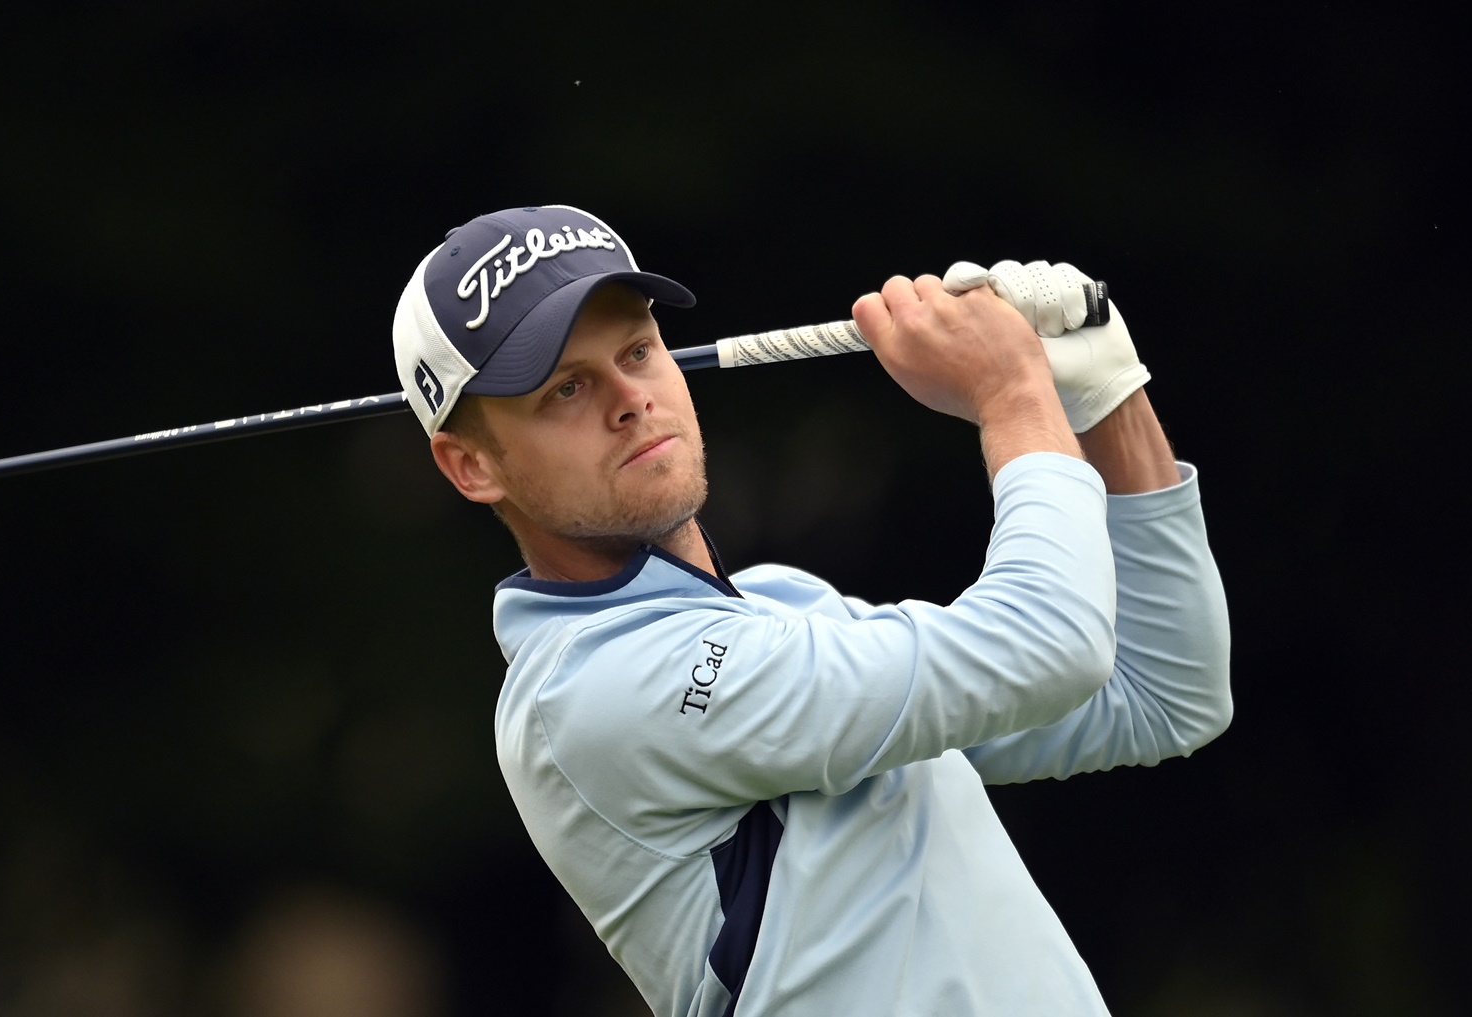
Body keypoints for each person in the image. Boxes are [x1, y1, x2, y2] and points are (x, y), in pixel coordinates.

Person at [390, 205, 1230, 1015]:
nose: (630, 399)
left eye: (639, 350)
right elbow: (1048, 646)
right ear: (471, 466)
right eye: (567, 388)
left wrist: (1108, 393)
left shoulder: (787, 607)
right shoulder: (593, 688)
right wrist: (1015, 396)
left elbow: (1159, 697)